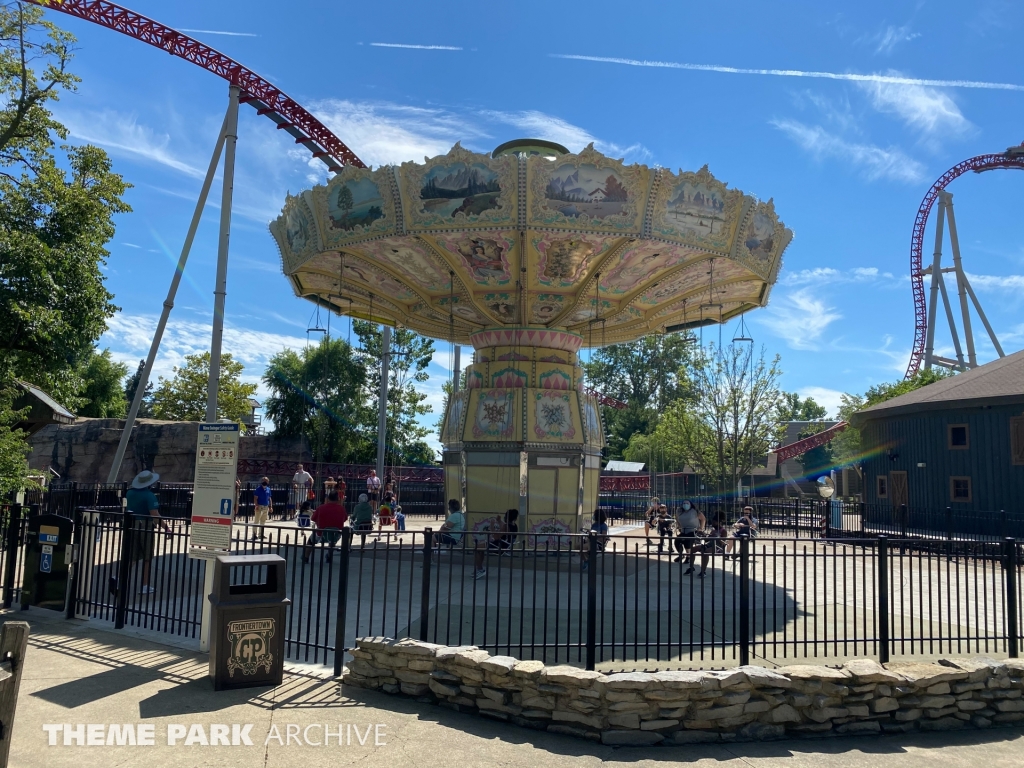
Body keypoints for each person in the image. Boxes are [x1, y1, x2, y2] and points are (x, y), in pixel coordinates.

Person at [125, 470, 170, 594]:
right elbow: (154, 514)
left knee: (131, 556)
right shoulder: (149, 496)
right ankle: (145, 585)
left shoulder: (129, 493)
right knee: (147, 556)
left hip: (131, 524)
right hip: (145, 525)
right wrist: (166, 528)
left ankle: (121, 579)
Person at [303, 491, 348, 564]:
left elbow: (313, 518)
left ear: (328, 498)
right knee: (332, 541)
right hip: (336, 533)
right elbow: (345, 519)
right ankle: (329, 556)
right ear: (338, 499)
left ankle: (306, 557)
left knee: (311, 541)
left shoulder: (321, 507)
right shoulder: (341, 508)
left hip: (321, 532)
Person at [473, 509, 518, 579]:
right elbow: (504, 528)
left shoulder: (506, 527)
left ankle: (479, 569)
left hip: (499, 545)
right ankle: (479, 568)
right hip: (504, 545)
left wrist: (492, 526)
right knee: (480, 548)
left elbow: (496, 536)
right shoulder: (514, 526)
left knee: (477, 548)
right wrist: (499, 521)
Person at [673, 500, 707, 569]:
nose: (685, 505)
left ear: (690, 504)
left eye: (687, 503)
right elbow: (677, 518)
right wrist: (679, 525)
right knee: (677, 541)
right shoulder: (679, 511)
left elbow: (703, 519)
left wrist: (701, 528)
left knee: (687, 541)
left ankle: (688, 557)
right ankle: (681, 554)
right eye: (684, 503)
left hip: (693, 530)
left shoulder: (694, 511)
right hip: (683, 530)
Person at [252, 476, 273, 541]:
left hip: (266, 506)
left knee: (263, 521)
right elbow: (255, 498)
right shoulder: (258, 489)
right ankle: (254, 534)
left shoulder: (268, 489)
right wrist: (256, 505)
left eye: (266, 481)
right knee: (256, 521)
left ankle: (261, 534)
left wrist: (271, 506)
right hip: (260, 506)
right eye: (264, 480)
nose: (265, 482)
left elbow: (269, 498)